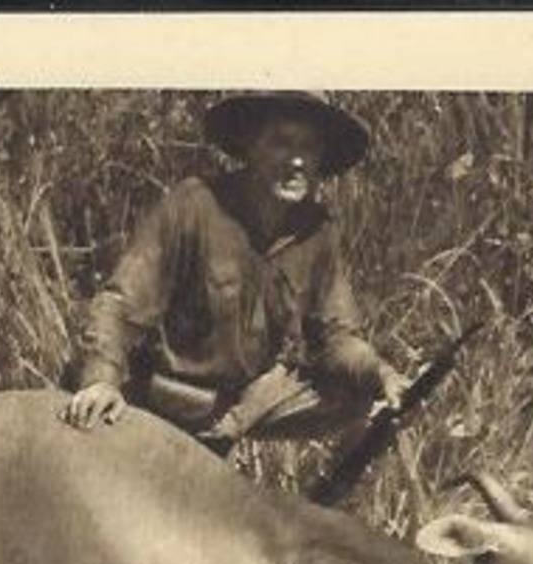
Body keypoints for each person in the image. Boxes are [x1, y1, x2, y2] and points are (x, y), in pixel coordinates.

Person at [62, 91, 411, 452]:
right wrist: (100, 379)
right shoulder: (194, 205)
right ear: (251, 146)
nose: (295, 160)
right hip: (166, 395)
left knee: (357, 395)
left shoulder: (316, 231)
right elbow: (121, 303)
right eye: (281, 143)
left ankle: (309, 493)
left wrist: (381, 374)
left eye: (308, 148)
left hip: (243, 403)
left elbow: (337, 337)